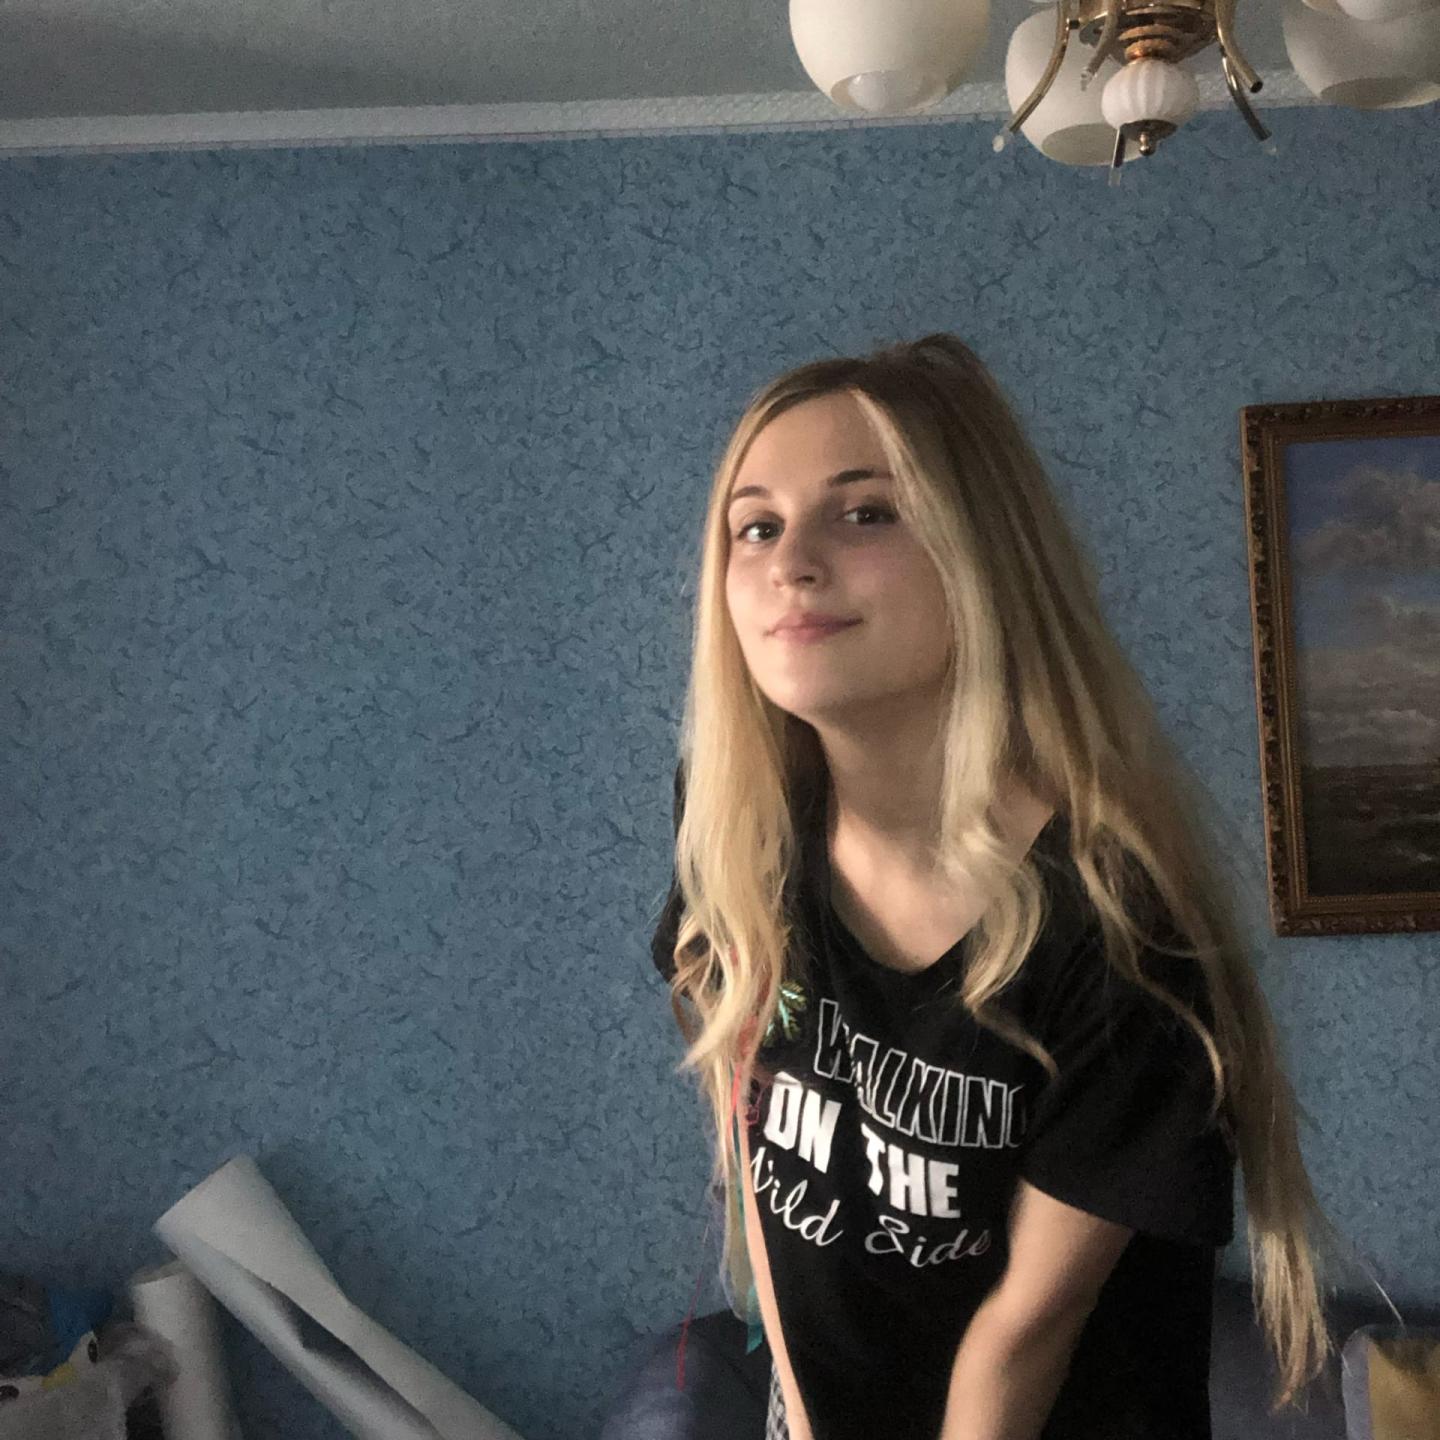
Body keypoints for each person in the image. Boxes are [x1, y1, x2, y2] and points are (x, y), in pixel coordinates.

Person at [649, 333, 1340, 1440]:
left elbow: (1022, 1340)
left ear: (982, 555)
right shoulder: (739, 839)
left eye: (865, 512)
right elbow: (762, 1164)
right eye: (757, 526)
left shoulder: (1118, 931)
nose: (793, 563)